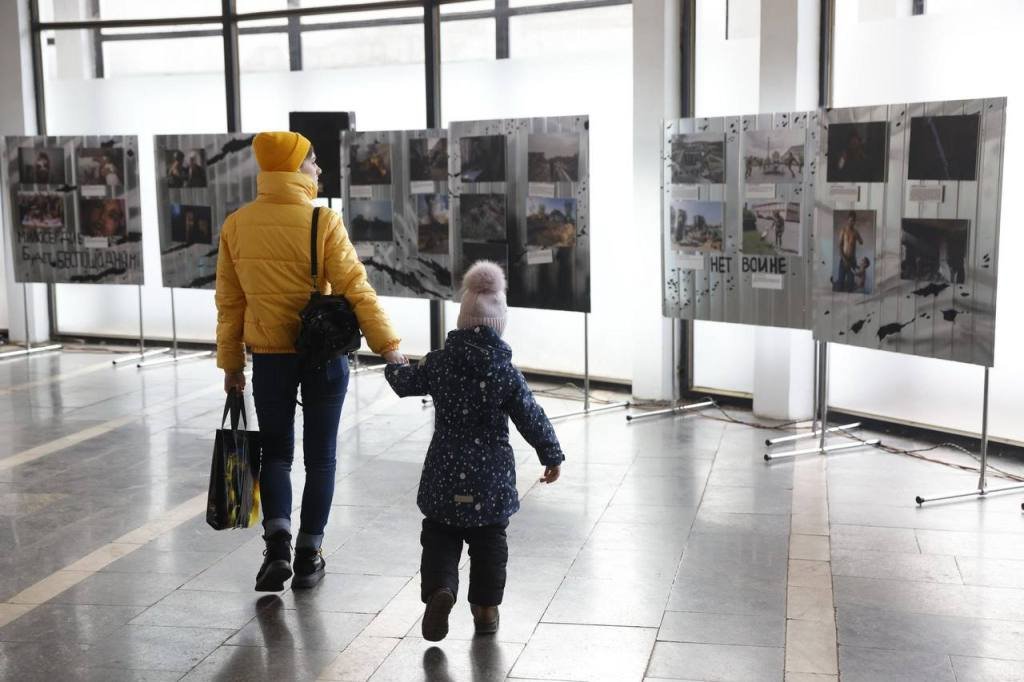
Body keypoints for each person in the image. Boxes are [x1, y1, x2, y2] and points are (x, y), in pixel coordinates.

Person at [215, 131, 406, 592]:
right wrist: (388, 346)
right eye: (312, 161)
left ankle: (277, 545)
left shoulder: (236, 224)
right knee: (321, 458)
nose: (318, 169)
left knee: (275, 454)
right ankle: (308, 553)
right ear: (295, 167)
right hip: (323, 355)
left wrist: (232, 366)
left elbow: (230, 304)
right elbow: (356, 288)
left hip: (269, 360)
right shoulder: (323, 221)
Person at [383, 261, 564, 642]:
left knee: (439, 534)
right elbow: (530, 415)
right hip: (490, 477)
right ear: (500, 326)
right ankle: (485, 611)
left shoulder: (438, 363)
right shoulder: (506, 372)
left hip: (444, 470)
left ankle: (441, 589)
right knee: (489, 542)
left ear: (462, 320)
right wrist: (551, 454)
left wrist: (394, 362)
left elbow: (404, 383)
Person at [836, 211, 864, 292]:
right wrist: (844, 259)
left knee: (850, 283)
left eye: (853, 221)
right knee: (840, 282)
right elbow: (839, 246)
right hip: (843, 259)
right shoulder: (843, 231)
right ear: (848, 220)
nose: (851, 223)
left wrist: (858, 237)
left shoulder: (855, 232)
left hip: (852, 261)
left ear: (855, 222)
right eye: (850, 220)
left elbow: (861, 242)